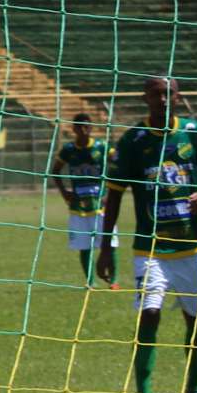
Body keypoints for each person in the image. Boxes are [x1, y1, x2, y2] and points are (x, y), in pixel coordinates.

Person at [100, 75, 197, 393]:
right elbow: (114, 196)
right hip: (149, 248)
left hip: (192, 247)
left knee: (196, 319)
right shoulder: (132, 141)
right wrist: (106, 246)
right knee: (149, 313)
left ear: (178, 97)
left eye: (169, 93)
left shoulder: (193, 132)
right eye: (156, 94)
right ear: (145, 98)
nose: (163, 99)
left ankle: (193, 388)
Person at [49, 111, 114, 286]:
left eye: (88, 126)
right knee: (84, 245)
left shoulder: (101, 146)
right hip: (78, 206)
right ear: (74, 129)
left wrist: (110, 191)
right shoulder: (69, 150)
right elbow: (55, 170)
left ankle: (113, 281)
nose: (85, 129)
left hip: (101, 203)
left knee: (109, 243)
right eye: (80, 126)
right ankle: (90, 282)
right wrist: (64, 192)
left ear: (91, 127)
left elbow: (118, 163)